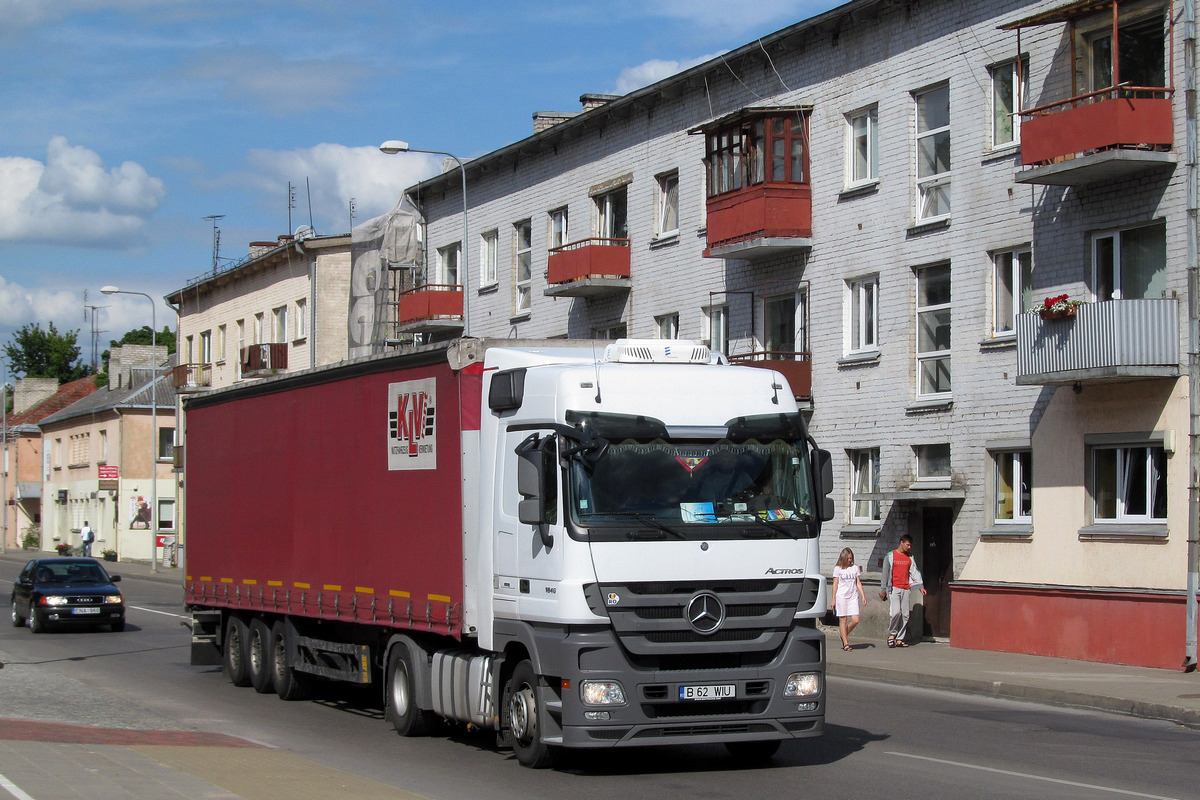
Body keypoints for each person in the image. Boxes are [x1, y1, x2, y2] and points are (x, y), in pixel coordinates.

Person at [879, 534, 926, 648]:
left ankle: (900, 638)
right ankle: (892, 635)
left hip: (906, 588)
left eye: (910, 545)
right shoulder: (891, 556)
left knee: (905, 615)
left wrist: (920, 586)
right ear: (901, 543)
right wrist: (883, 589)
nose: (909, 547)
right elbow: (885, 573)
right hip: (894, 588)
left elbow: (914, 571)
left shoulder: (909, 557)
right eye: (907, 545)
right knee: (895, 613)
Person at [830, 547, 866, 651]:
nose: (850, 560)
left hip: (853, 596)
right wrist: (833, 599)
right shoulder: (838, 569)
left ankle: (843, 634)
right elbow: (835, 584)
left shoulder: (854, 568)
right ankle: (846, 643)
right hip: (841, 597)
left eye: (851, 558)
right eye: (848, 558)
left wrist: (863, 595)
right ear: (844, 558)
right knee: (843, 620)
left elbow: (858, 582)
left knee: (856, 620)